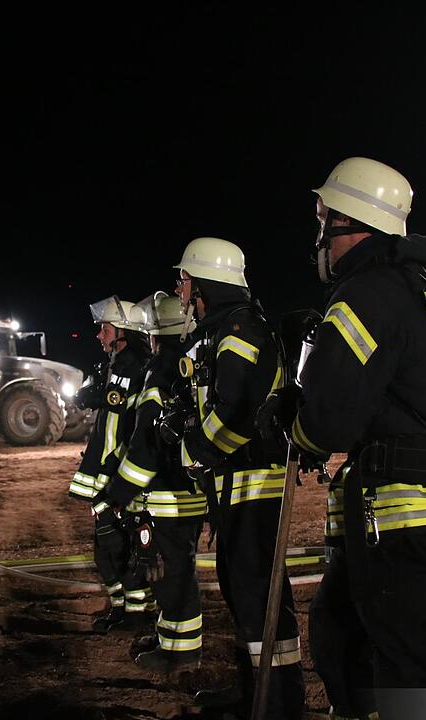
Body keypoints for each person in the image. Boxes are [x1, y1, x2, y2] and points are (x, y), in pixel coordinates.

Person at [291, 158, 426, 720]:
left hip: (401, 520)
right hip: (417, 510)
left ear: (350, 222)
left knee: (416, 679)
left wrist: (290, 423)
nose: (319, 235)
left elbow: (326, 422)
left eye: (324, 219)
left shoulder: (367, 293)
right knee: (342, 635)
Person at [174, 237, 305, 719]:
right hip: (234, 486)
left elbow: (233, 413)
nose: (181, 289)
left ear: (205, 281)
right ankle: (256, 694)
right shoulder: (220, 331)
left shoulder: (241, 329)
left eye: (185, 279)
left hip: (254, 486)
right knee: (241, 593)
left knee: (262, 597)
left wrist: (195, 451)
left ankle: (280, 705)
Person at [96, 291, 208, 673]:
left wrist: (119, 493)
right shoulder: (187, 365)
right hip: (186, 493)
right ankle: (170, 641)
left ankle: (180, 653)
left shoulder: (159, 372)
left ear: (154, 334)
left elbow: (144, 445)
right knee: (174, 572)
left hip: (165, 497)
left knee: (171, 577)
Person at [69, 296, 155, 633]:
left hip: (118, 476)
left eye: (104, 329)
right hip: (107, 472)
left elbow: (130, 426)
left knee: (121, 546)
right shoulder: (117, 366)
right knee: (106, 548)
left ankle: (136, 614)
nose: (99, 335)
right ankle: (120, 608)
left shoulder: (135, 367)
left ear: (123, 332)